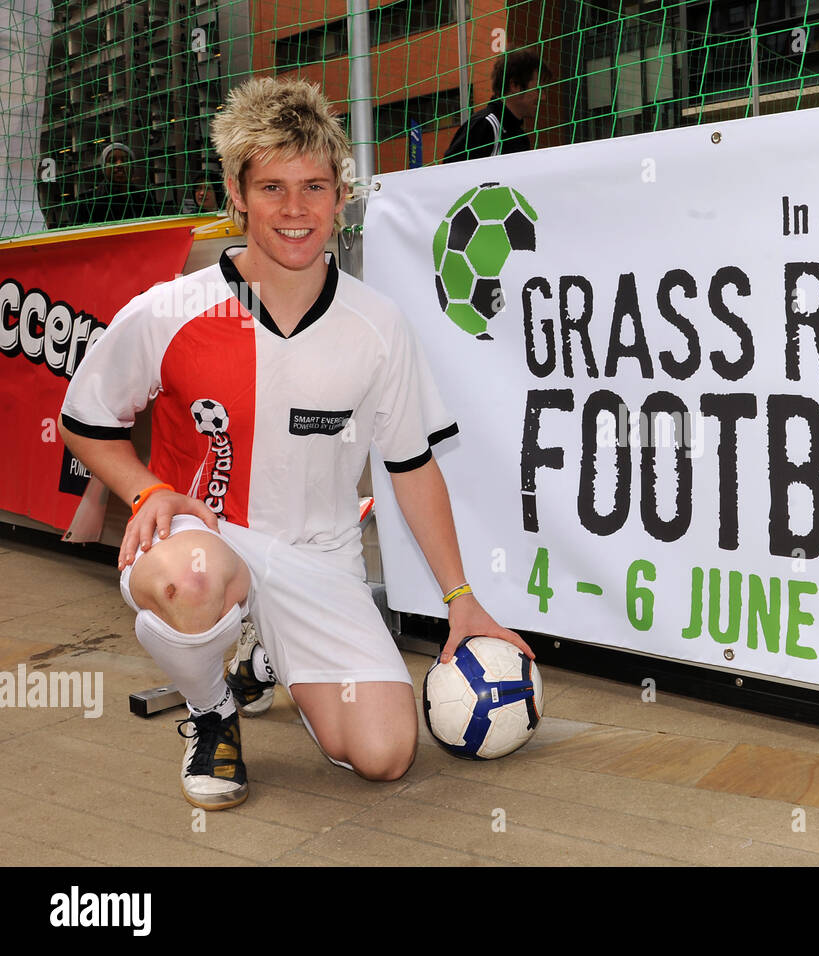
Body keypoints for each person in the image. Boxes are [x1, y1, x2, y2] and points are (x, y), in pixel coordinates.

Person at [58, 76, 531, 810]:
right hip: (204, 537)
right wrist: (146, 492)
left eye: (314, 186)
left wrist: (461, 600)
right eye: (272, 187)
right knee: (192, 579)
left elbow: (410, 465)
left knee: (384, 754)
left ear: (342, 196)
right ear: (237, 195)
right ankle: (213, 711)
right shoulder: (170, 311)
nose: (294, 210)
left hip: (320, 556)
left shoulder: (377, 325)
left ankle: (265, 654)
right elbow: (85, 422)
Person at [441, 50, 550, 163]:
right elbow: (449, 174)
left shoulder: (520, 138)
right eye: (539, 89)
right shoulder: (484, 125)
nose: (543, 97)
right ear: (515, 85)